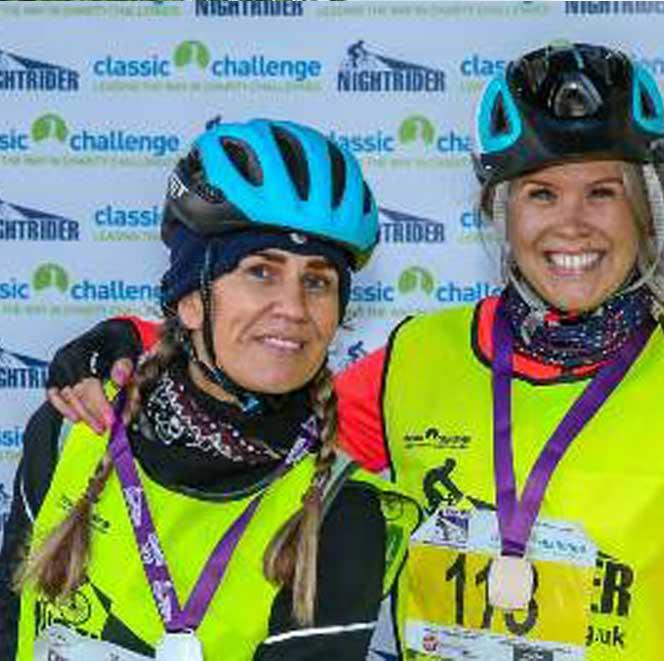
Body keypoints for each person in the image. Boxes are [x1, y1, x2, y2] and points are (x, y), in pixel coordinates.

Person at [26, 43, 664, 659]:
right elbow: (267, 409)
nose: (573, 224)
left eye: (602, 192)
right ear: (501, 212)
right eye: (541, 193)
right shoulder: (422, 354)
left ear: (649, 213)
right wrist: (134, 340)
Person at [0, 118, 419, 660]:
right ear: (191, 299)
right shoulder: (71, 429)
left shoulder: (342, 512)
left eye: (317, 281)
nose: (293, 308)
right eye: (260, 272)